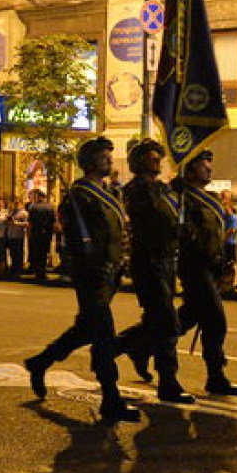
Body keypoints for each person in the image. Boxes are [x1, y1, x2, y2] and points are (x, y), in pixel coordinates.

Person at [25, 137, 139, 424]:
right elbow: (74, 235)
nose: (109, 161)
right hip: (91, 273)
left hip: (110, 271)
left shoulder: (108, 193)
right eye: (103, 156)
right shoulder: (80, 195)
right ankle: (110, 399)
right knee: (103, 334)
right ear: (88, 162)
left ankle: (40, 362)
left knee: (86, 329)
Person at [115, 139, 191, 403]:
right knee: (167, 322)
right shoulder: (135, 189)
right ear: (138, 162)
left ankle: (118, 349)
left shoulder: (161, 189)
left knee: (155, 321)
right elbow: (148, 209)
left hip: (167, 260)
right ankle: (168, 382)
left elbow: (171, 219)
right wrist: (170, 189)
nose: (157, 161)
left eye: (159, 157)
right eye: (151, 157)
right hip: (148, 262)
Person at [175, 149, 237, 397]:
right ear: (191, 168)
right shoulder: (184, 199)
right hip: (195, 267)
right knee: (215, 320)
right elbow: (185, 235)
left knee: (187, 318)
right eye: (205, 163)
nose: (209, 168)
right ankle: (216, 376)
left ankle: (138, 345)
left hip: (211, 267)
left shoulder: (211, 198)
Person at [27, 190, 56, 282]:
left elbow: (30, 222)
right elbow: (53, 221)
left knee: (36, 252)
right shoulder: (50, 207)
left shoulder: (32, 207)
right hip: (46, 233)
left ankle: (37, 271)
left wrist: (29, 233)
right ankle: (42, 272)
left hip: (35, 233)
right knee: (44, 252)